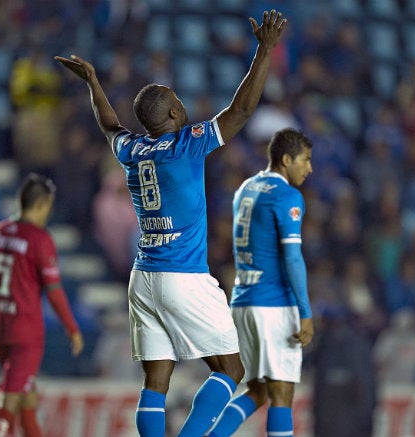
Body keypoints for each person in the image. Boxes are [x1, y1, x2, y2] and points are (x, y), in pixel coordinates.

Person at [54, 9, 287, 437]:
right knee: (231, 368)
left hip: (144, 278)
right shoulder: (186, 145)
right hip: (184, 276)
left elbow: (109, 125)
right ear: (176, 114)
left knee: (156, 382)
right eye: (179, 103)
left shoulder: (132, 150)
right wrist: (265, 50)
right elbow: (244, 107)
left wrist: (93, 82)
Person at [0, 173, 84, 437]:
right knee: (8, 405)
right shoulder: (39, 239)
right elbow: (55, 292)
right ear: (41, 205)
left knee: (27, 403)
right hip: (26, 335)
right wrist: (72, 328)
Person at [207, 127, 313, 437]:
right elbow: (292, 258)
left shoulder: (245, 189)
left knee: (257, 390)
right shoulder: (288, 196)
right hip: (274, 305)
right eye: (304, 161)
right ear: (285, 159)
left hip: (243, 301)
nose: (309, 168)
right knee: (282, 395)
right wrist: (305, 311)